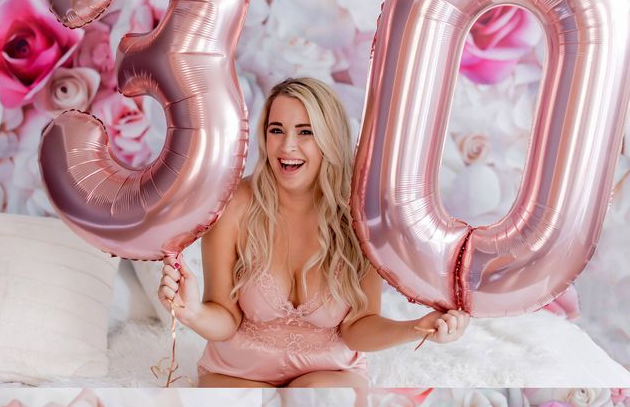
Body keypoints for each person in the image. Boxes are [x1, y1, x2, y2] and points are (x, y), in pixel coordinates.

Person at [159, 78, 469, 388]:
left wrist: (418, 327)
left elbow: (357, 326)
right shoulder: (233, 205)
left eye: (305, 132)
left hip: (329, 374)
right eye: (276, 130)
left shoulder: (361, 218)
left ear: (330, 138)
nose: (287, 146)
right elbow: (225, 318)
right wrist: (193, 313)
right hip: (237, 372)